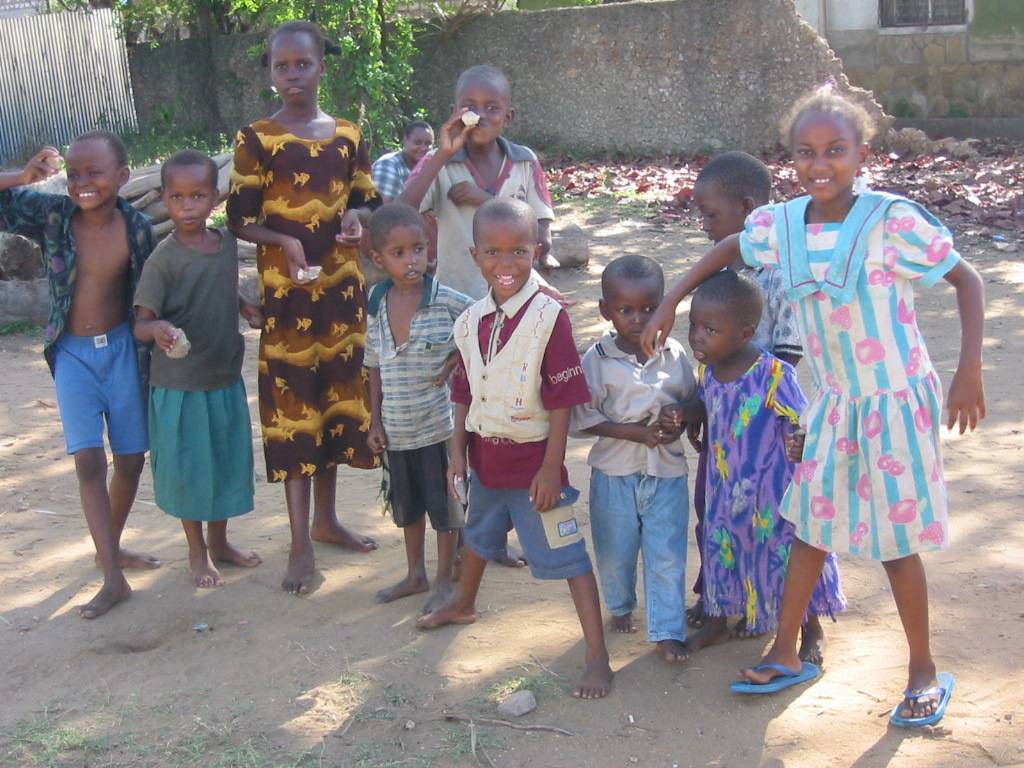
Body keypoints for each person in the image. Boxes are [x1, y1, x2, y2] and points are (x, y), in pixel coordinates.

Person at [642, 87, 985, 727]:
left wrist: (969, 369)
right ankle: (785, 649)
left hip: (894, 402)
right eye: (805, 152)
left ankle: (923, 670)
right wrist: (670, 302)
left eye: (835, 150)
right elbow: (728, 250)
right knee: (810, 524)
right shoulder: (783, 226)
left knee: (895, 540)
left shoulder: (891, 220)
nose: (819, 164)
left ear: (861, 153)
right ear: (791, 158)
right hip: (837, 404)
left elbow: (967, 278)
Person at [416, 199, 613, 700]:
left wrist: (553, 467)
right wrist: (458, 453)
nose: (506, 264)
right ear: (474, 254)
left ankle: (597, 655)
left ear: (538, 251)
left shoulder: (551, 317)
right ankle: (463, 603)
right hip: (485, 462)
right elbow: (463, 388)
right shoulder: (471, 320)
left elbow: (563, 399)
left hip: (534, 470)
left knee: (569, 556)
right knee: (479, 537)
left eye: (519, 251)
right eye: (494, 253)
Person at [228, 20, 382, 595]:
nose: (293, 75)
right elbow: (241, 220)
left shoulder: (347, 133)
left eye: (303, 64)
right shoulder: (257, 139)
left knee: (338, 405)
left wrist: (354, 223)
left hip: (341, 295)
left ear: (322, 66)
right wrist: (285, 241)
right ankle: (298, 543)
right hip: (287, 300)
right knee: (295, 412)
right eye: (282, 66)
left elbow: (366, 202)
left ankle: (326, 520)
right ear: (271, 72)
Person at [686, 151, 838, 665]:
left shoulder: (777, 274)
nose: (704, 224)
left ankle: (808, 626)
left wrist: (777, 417)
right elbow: (705, 376)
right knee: (718, 526)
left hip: (769, 458)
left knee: (785, 536)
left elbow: (789, 357)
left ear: (749, 209)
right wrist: (695, 409)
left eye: (710, 214)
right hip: (728, 457)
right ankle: (721, 611)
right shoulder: (720, 273)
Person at [0, 131, 161, 619]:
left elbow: (152, 292)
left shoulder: (136, 228)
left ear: (122, 177)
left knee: (131, 460)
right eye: (73, 174)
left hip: (123, 353)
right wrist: (26, 176)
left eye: (94, 173)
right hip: (71, 353)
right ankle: (114, 576)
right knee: (89, 461)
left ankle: (105, 548)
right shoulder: (53, 215)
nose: (82, 182)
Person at [670, 270, 845, 659]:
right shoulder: (709, 371)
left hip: (772, 495)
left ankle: (810, 628)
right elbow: (709, 407)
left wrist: (798, 439)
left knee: (785, 555)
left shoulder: (772, 373)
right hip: (723, 490)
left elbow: (802, 419)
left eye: (710, 329)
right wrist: (685, 413)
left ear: (746, 334)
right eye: (693, 325)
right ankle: (718, 622)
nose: (697, 336)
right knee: (720, 551)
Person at [134, 149, 264, 589]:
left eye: (197, 196)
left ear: (215, 199)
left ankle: (221, 541)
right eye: (177, 197)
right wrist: (160, 330)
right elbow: (141, 322)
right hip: (180, 385)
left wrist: (246, 307)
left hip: (223, 377)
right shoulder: (163, 259)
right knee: (190, 468)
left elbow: (224, 289)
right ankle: (197, 550)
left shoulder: (226, 244)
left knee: (225, 462)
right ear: (165, 199)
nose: (187, 207)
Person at [571, 254, 701, 663]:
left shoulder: (674, 354)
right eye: (626, 310)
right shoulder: (597, 359)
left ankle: (667, 630)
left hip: (666, 474)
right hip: (614, 474)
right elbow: (584, 417)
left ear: (666, 305)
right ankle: (621, 604)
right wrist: (636, 433)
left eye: (649, 308)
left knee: (667, 553)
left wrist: (678, 417)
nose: (639, 319)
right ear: (606, 311)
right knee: (615, 551)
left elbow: (695, 401)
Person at [364, 202, 472, 611]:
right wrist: (374, 419)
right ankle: (415, 574)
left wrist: (459, 358)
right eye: (399, 253)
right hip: (396, 430)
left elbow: (484, 325)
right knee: (407, 509)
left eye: (419, 250)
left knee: (445, 510)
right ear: (378, 259)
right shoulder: (376, 301)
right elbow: (373, 363)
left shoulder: (446, 300)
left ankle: (444, 579)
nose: (412, 260)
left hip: (439, 429)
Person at [400, 64, 559, 300]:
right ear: (454, 112)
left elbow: (542, 239)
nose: (480, 115)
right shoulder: (438, 162)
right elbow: (400, 214)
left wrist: (486, 201)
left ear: (508, 116)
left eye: (492, 107)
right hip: (454, 298)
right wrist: (442, 154)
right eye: (470, 107)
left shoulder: (524, 162)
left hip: (515, 298)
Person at [371, 121, 435, 202]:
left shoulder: (430, 168)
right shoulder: (388, 164)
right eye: (418, 143)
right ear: (405, 141)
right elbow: (382, 209)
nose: (423, 148)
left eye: (428, 144)